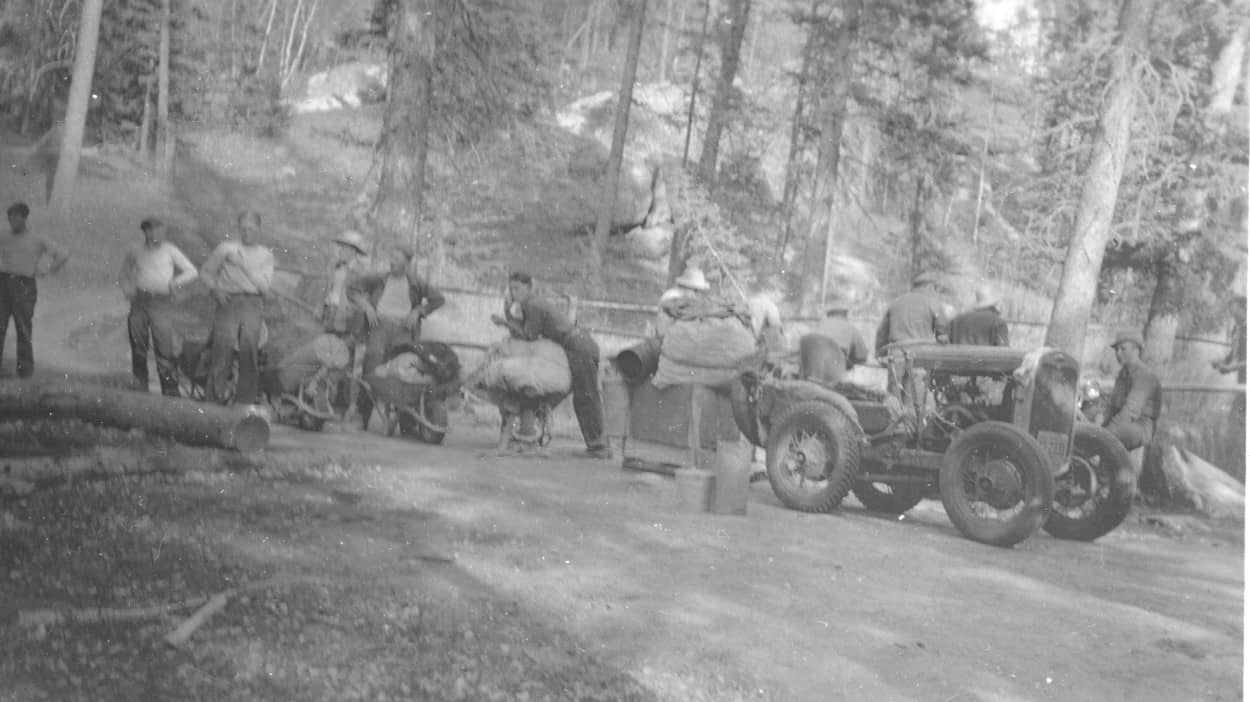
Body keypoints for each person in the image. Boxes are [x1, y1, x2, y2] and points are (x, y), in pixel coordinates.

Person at [492, 272, 612, 459]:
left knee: (585, 396)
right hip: (577, 346)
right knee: (569, 392)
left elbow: (529, 336)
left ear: (529, 288)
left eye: (518, 288)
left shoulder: (533, 304)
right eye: (511, 288)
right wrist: (508, 315)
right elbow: (525, 332)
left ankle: (599, 447)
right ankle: (537, 429)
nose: (514, 293)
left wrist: (505, 321)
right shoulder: (530, 304)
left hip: (578, 347)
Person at [343, 238, 447, 429]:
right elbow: (352, 289)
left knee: (405, 374)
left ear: (407, 264)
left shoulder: (416, 283)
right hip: (379, 328)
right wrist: (366, 306)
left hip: (404, 332)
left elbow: (438, 299)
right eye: (391, 258)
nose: (391, 262)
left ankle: (406, 423)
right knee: (371, 370)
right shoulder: (379, 278)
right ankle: (361, 419)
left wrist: (418, 311)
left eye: (396, 259)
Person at [199, 211, 274, 407]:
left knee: (250, 353)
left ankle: (244, 405)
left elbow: (264, 288)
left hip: (253, 303)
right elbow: (205, 272)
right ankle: (213, 402)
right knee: (221, 350)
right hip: (228, 302)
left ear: (258, 229)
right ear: (238, 228)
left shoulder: (265, 255)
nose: (247, 232)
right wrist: (215, 290)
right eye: (243, 228)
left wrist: (243, 266)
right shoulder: (226, 248)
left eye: (251, 228)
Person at [118, 217, 198, 396]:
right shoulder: (135, 250)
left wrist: (175, 283)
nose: (156, 234)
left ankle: (169, 390)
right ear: (145, 232)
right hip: (139, 301)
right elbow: (123, 274)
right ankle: (140, 386)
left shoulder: (170, 250)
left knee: (164, 346)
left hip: (161, 302)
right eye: (151, 230)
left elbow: (192, 271)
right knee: (138, 344)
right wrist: (127, 290)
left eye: (159, 230)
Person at [0, 202, 69, 378]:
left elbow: (62, 254)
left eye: (17, 217)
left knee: (23, 328)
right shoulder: (3, 236)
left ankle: (25, 371)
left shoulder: (37, 238)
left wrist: (48, 270)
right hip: (3, 283)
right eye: (10, 218)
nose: (12, 221)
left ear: (24, 218)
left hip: (24, 286)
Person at [875, 273, 949, 407]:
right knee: (916, 395)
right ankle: (913, 425)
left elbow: (882, 333)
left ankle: (894, 424)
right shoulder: (933, 303)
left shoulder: (897, 302)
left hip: (895, 353)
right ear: (930, 287)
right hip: (920, 354)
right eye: (935, 288)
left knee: (894, 394)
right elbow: (943, 333)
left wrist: (879, 353)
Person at [1104, 330, 1163, 452]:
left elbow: (1129, 412)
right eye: (1116, 350)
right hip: (1124, 421)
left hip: (1141, 426)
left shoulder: (1144, 376)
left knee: (1102, 439)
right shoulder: (1123, 374)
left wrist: (1103, 433)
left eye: (1123, 349)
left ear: (1136, 350)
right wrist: (1101, 421)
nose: (1118, 353)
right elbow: (1112, 405)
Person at [802, 301, 870, 386]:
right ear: (845, 314)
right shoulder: (850, 328)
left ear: (828, 314)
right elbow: (862, 356)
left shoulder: (819, 325)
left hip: (811, 372)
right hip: (832, 374)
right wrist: (850, 360)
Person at [656, 263, 711, 337]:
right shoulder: (672, 297)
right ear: (687, 287)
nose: (696, 295)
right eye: (695, 291)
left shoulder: (678, 295)